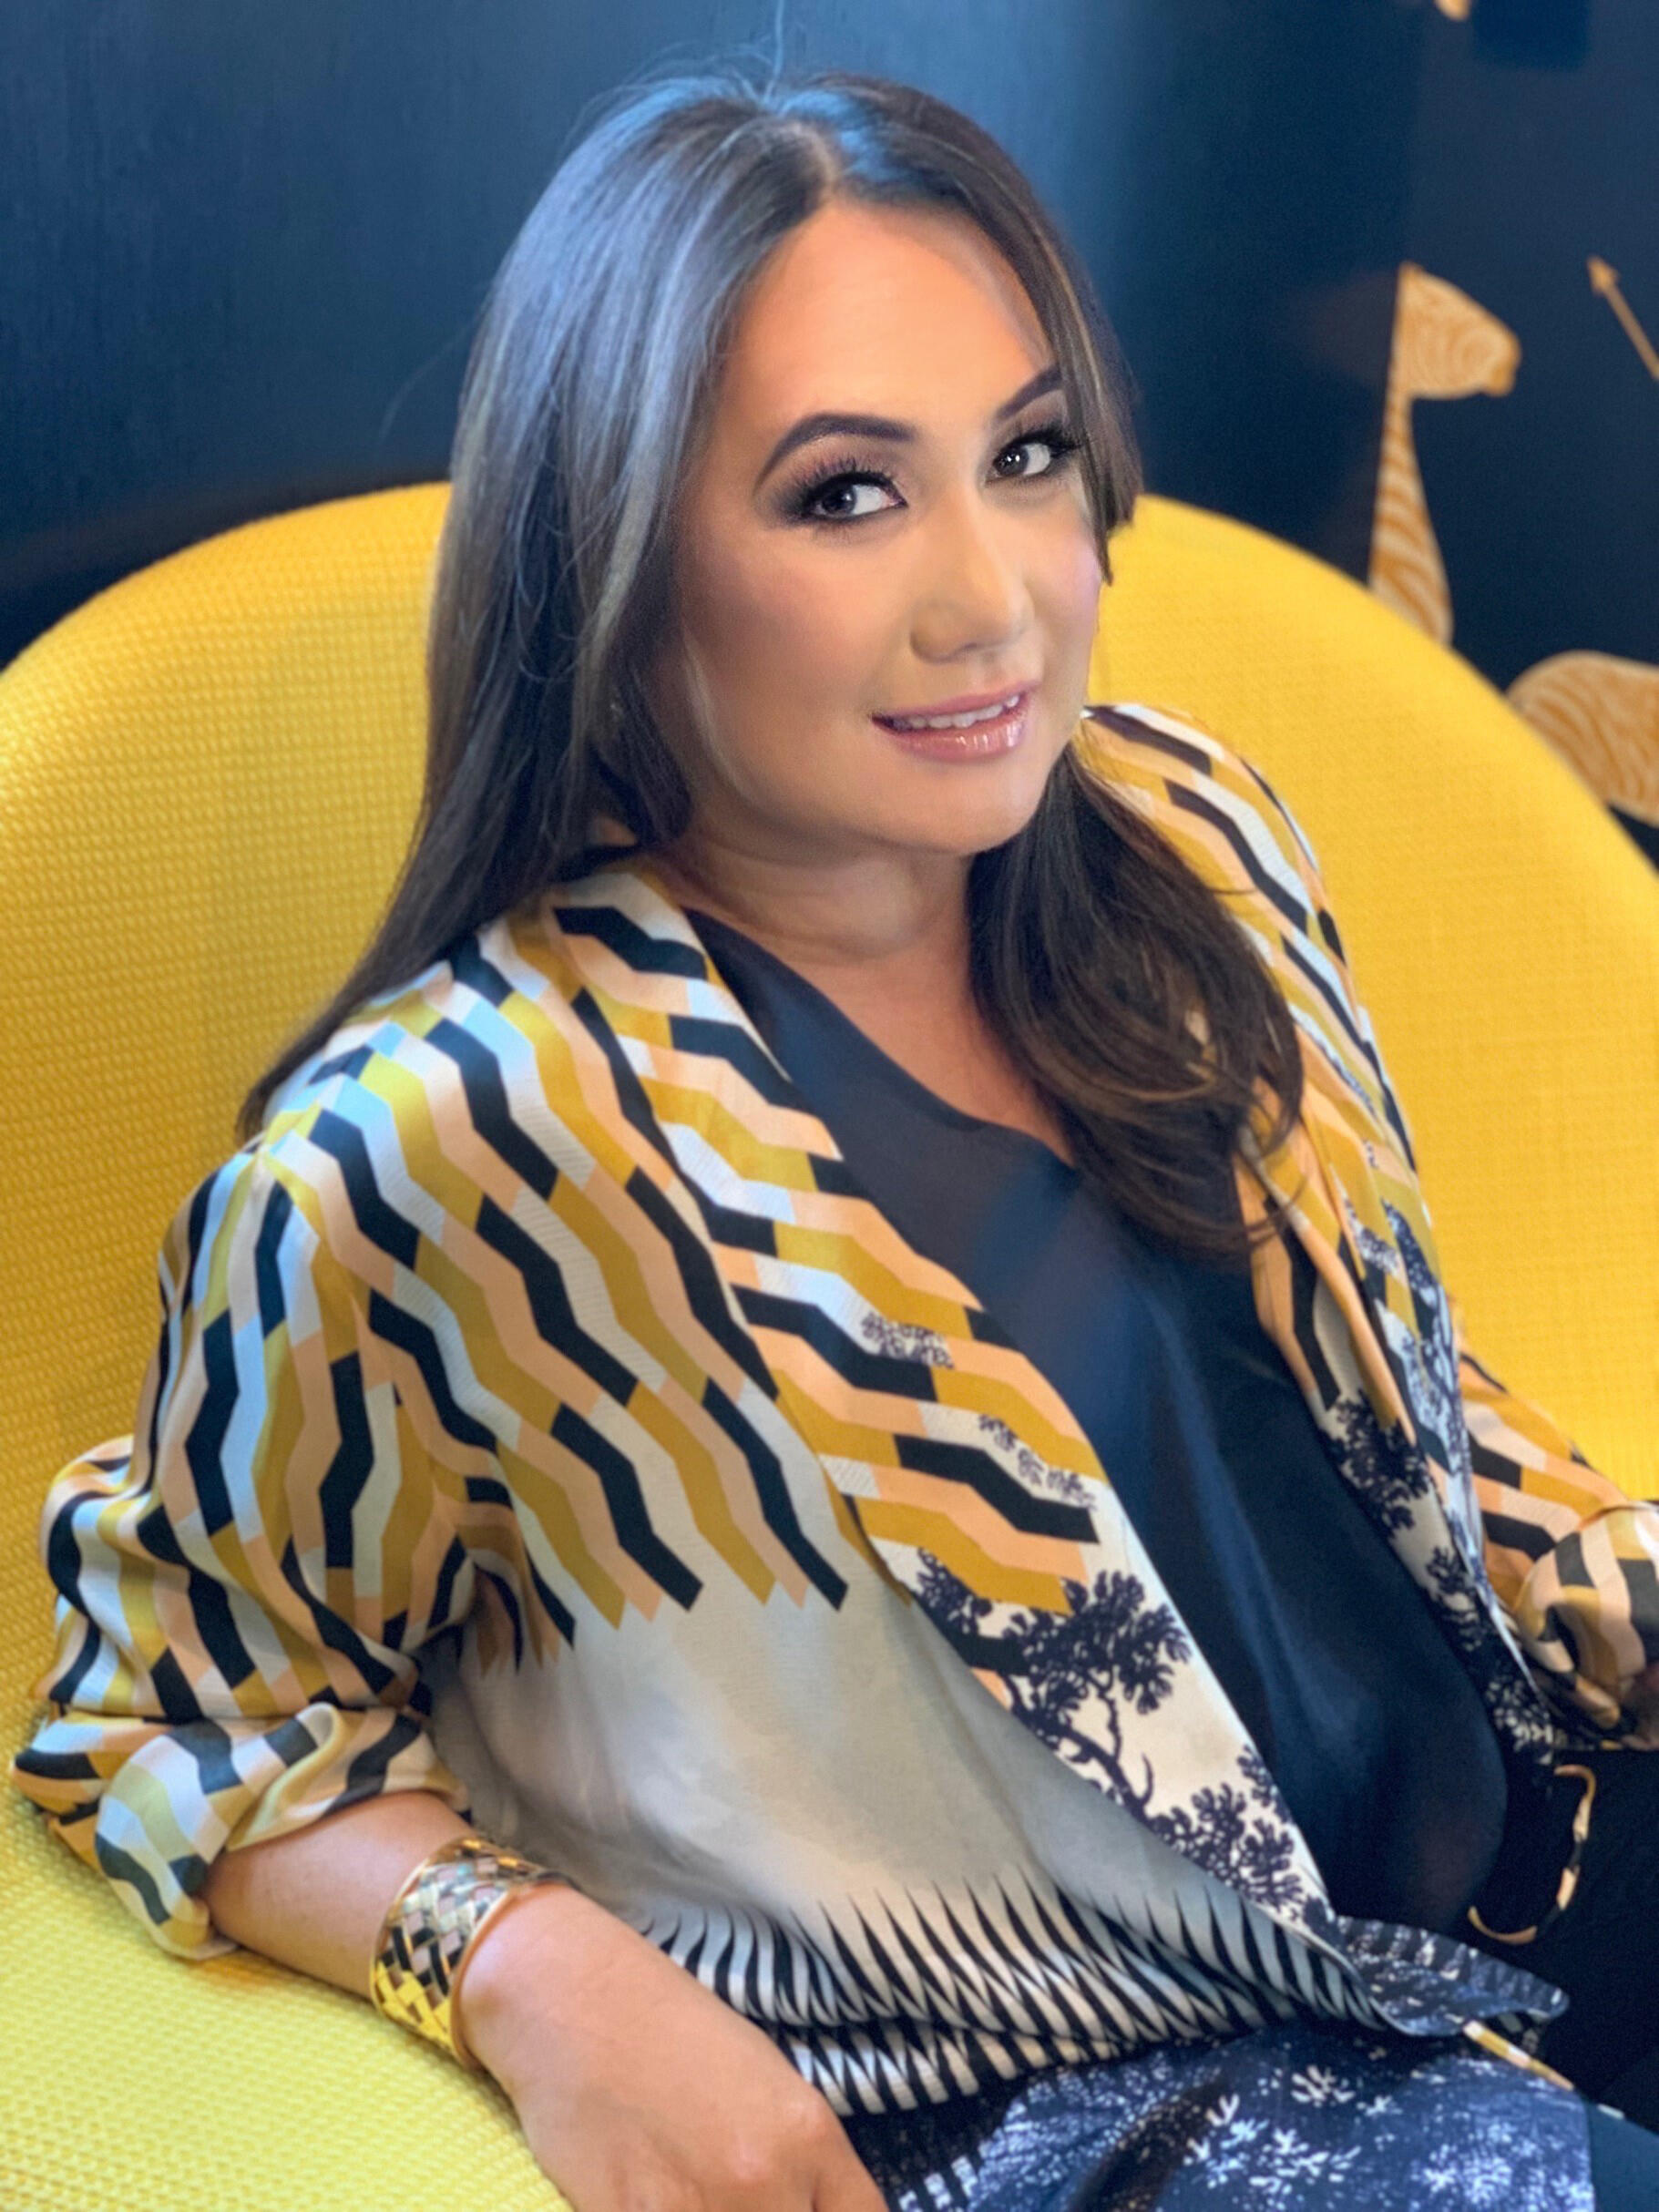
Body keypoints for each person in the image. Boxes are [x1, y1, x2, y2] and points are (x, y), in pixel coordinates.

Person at [11, 62, 1659, 2212]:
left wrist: (1610, 1571)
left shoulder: (1189, 845)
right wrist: (525, 1967)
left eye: (1027, 455)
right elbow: (161, 1715)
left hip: (1505, 1867)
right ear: (615, 558)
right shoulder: (452, 1146)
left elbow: (1367, 1403)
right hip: (1103, 2071)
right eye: (843, 494)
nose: (993, 599)